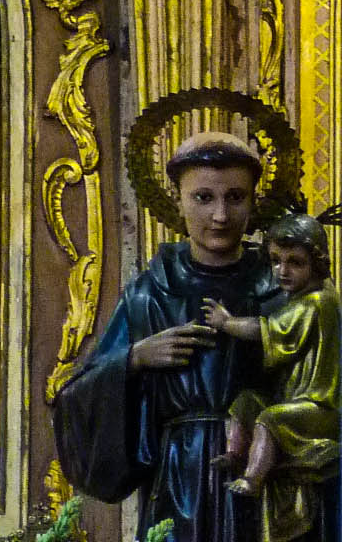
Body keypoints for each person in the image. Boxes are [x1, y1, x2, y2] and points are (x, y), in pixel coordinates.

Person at [52, 132, 282, 542]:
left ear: (252, 201)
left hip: (265, 470)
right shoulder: (149, 293)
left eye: (235, 197)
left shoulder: (278, 288)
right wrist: (135, 358)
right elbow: (76, 396)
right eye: (203, 198)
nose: (221, 215)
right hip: (180, 473)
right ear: (177, 199)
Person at [206, 212, 339, 542]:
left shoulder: (318, 302)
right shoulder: (302, 298)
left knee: (270, 417)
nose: (282, 271)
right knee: (247, 402)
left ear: (318, 264)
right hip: (298, 401)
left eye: (295, 262)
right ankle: (236, 454)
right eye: (276, 261)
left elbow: (266, 331)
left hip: (320, 409)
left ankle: (251, 479)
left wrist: (226, 323)